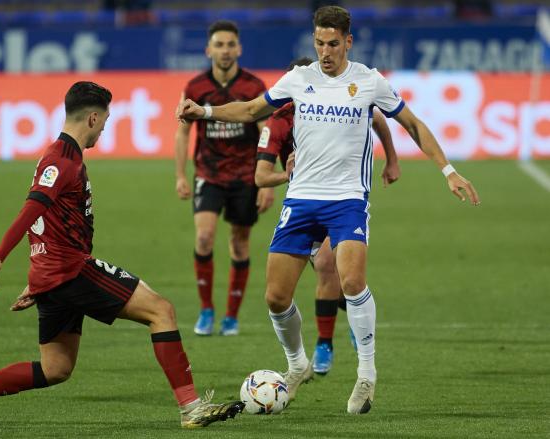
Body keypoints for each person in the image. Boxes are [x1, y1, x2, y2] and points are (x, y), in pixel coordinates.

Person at [176, 5, 479, 414]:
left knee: (351, 281)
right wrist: (205, 111)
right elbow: (250, 110)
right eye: (319, 43)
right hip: (301, 200)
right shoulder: (298, 80)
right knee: (275, 297)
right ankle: (297, 363)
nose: (325, 51)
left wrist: (448, 170)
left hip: (347, 200)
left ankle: (366, 374)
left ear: (348, 42)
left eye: (333, 43)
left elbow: (412, 124)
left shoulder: (369, 81)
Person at [0, 81, 244, 429]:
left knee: (56, 369)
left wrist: (38, 280)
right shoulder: (61, 160)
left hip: (52, 274)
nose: (105, 128)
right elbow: (31, 211)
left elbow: (47, 220)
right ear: (93, 118)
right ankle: (191, 407)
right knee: (162, 311)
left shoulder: (59, 156)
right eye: (106, 120)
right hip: (70, 270)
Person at [255, 57, 401, 376]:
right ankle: (351, 317)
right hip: (304, 202)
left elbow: (375, 119)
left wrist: (391, 158)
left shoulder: (340, 102)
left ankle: (325, 344)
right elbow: (260, 176)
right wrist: (287, 174)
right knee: (316, 280)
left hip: (342, 196)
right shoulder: (279, 122)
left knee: (326, 265)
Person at [174, 20, 274, 337]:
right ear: (208, 50)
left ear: (239, 48)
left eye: (230, 44)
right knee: (203, 238)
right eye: (219, 44)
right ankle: (206, 310)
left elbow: (267, 132)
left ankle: (231, 316)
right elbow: (183, 131)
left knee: (239, 244)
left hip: (245, 176)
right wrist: (180, 175)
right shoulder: (195, 88)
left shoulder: (254, 87)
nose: (225, 50)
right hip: (209, 173)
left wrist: (266, 179)